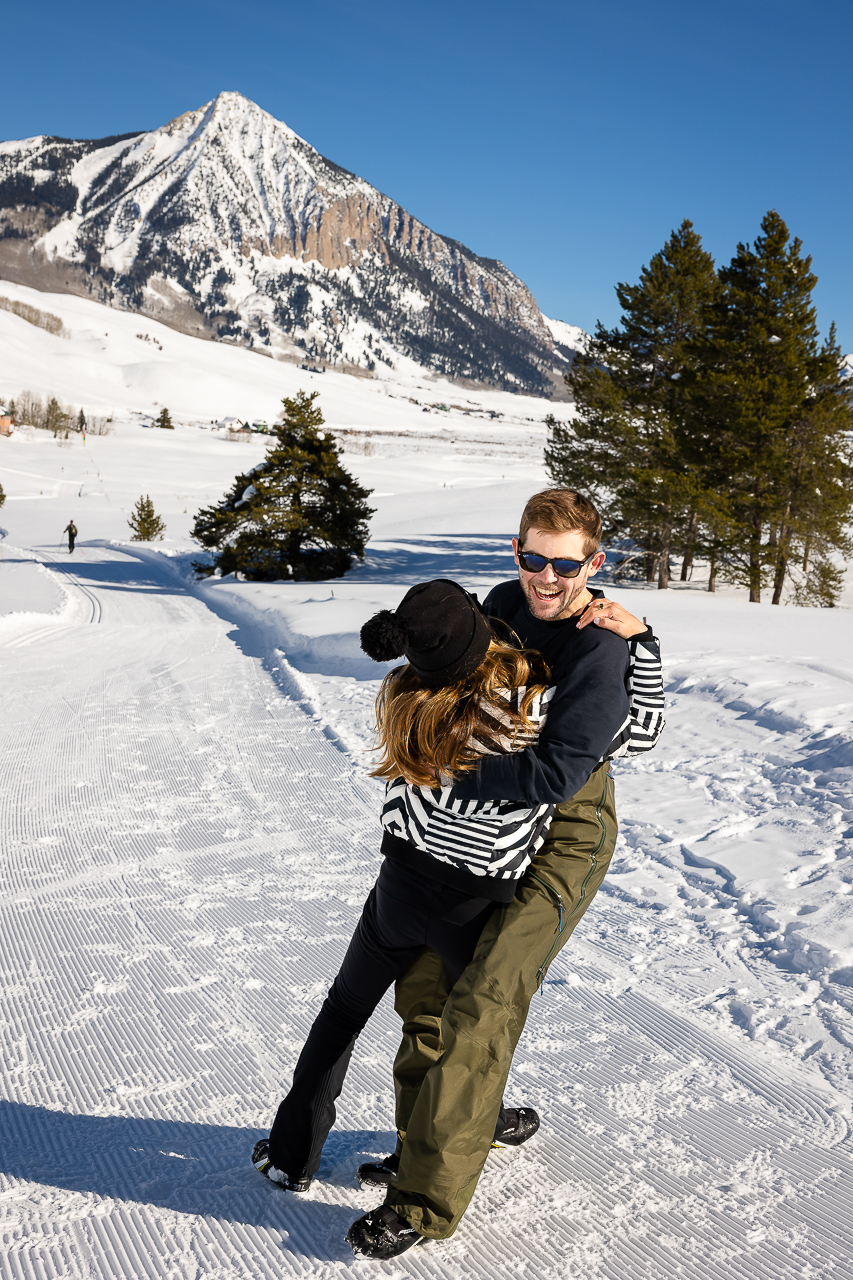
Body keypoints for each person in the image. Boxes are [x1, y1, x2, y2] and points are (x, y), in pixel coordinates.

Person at [347, 488, 664, 1259]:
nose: (546, 578)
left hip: (561, 837)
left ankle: (422, 1200)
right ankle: (433, 1137)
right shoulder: (498, 605)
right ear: (515, 551)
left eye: (564, 563)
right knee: (426, 987)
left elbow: (558, 773)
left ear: (594, 562)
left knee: (485, 999)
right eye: (533, 558)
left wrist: (441, 774)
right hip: (480, 831)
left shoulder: (598, 645)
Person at [252, 578, 560, 1223]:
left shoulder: (402, 698)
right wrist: (636, 643)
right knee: (469, 1035)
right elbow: (625, 733)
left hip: (400, 887)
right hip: (471, 903)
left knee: (342, 1013)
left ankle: (291, 1155)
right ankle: (476, 1122)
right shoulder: (524, 704)